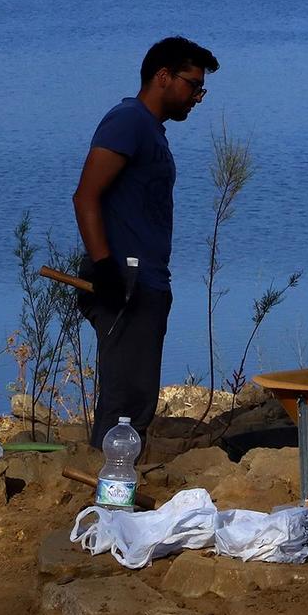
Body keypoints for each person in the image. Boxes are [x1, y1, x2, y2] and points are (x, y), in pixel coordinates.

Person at [72, 35, 218, 448]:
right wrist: (105, 269)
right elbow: (85, 196)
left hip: (148, 281)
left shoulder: (150, 130)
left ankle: (120, 492)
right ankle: (110, 500)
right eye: (192, 85)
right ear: (162, 76)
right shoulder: (128, 121)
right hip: (125, 280)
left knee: (138, 396)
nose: (197, 97)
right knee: (124, 398)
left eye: (200, 88)